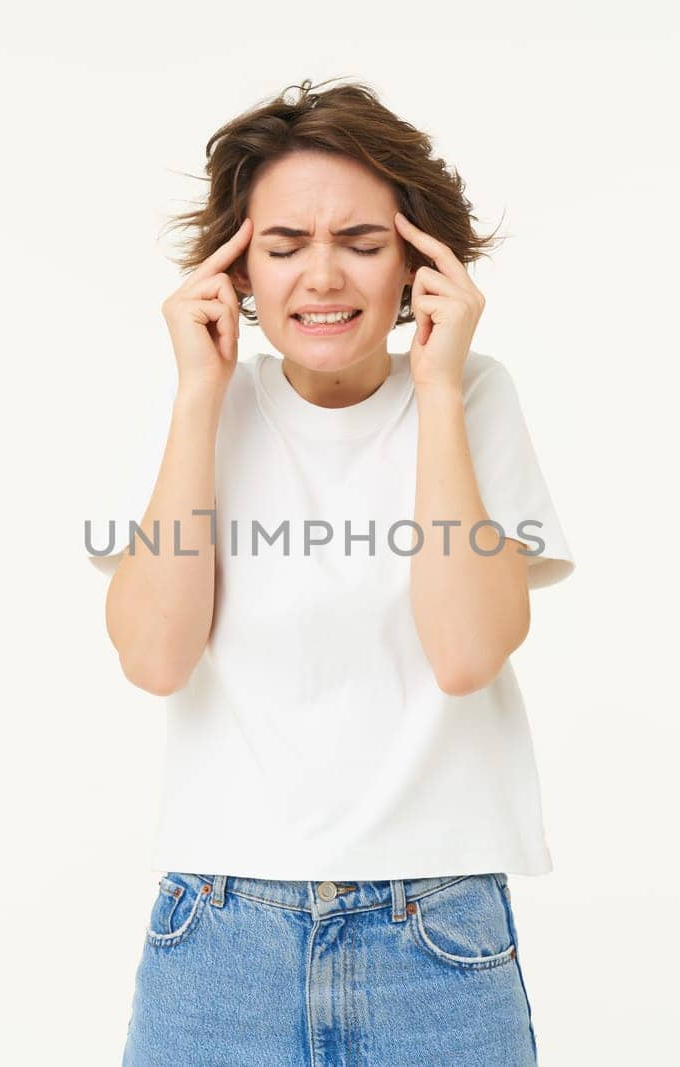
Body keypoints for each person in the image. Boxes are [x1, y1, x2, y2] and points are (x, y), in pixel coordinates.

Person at [87, 77, 574, 1066]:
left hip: (434, 934)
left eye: (360, 243)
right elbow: (153, 654)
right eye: (283, 246)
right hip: (217, 932)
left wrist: (435, 389)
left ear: (414, 262)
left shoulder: (474, 395)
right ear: (234, 270)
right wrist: (198, 398)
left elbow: (468, 650)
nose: (321, 277)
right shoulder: (195, 403)